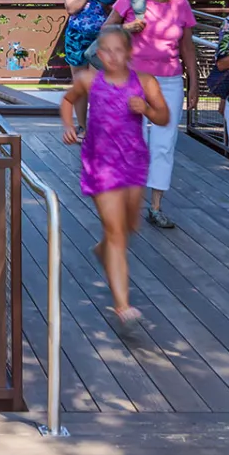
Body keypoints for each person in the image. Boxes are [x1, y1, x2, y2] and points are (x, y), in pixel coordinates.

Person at [61, 26, 169, 327]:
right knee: (117, 233)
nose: (111, 56)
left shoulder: (144, 82)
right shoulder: (88, 80)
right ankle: (123, 306)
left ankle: (103, 248)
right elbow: (67, 100)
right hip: (100, 164)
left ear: (129, 52)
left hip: (133, 162)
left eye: (118, 50)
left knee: (129, 225)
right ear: (98, 54)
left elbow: (164, 117)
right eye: (105, 50)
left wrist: (146, 109)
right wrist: (68, 126)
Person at [104, 0, 198, 229]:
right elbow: (105, 30)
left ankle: (155, 207)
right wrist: (127, 27)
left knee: (164, 144)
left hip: (170, 81)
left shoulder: (181, 5)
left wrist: (194, 82)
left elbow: (187, 47)